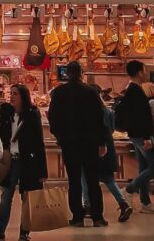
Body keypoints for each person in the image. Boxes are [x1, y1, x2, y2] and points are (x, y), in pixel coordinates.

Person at [47, 60, 107, 227]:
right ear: (81, 73)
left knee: (73, 180)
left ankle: (78, 217)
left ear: (67, 73)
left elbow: (53, 116)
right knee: (92, 180)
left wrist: (59, 135)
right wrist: (101, 141)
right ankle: (97, 217)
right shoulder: (91, 92)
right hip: (90, 142)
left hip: (69, 142)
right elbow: (99, 119)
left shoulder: (58, 93)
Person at [0, 84, 47, 241]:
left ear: (23, 96)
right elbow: (0, 136)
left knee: (27, 198)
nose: (11, 96)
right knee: (6, 196)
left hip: (28, 161)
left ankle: (24, 232)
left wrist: (42, 170)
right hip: (9, 161)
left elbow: (39, 141)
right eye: (10, 93)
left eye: (15, 94)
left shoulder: (32, 114)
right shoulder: (6, 112)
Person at [114, 60, 154, 214]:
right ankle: (128, 190)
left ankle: (145, 202)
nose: (146, 72)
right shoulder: (136, 92)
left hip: (136, 134)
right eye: (144, 70)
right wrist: (147, 137)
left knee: (143, 167)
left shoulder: (132, 90)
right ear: (140, 72)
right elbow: (141, 117)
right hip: (141, 135)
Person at [81, 87, 133, 224]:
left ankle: (87, 206)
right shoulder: (107, 110)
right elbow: (111, 129)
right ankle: (123, 204)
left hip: (97, 147)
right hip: (108, 146)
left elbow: (99, 130)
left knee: (85, 176)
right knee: (108, 179)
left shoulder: (92, 112)